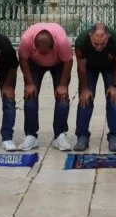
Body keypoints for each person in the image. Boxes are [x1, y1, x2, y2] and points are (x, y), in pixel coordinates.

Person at [18, 22, 74, 151]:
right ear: (34, 45)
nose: (43, 55)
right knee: (30, 96)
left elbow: (68, 62)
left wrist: (63, 85)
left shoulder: (62, 42)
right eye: (40, 51)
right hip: (34, 64)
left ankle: (59, 135)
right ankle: (31, 136)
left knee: (62, 97)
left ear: (53, 45)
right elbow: (23, 59)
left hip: (59, 64)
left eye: (46, 52)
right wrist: (29, 83)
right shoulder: (26, 40)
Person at [73, 22, 116, 153]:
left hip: (111, 67)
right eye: (95, 43)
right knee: (85, 99)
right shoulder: (81, 41)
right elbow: (81, 66)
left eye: (102, 44)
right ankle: (82, 136)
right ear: (90, 36)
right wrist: (84, 89)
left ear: (108, 37)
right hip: (89, 68)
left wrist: (115, 86)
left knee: (114, 99)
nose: (99, 47)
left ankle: (114, 136)